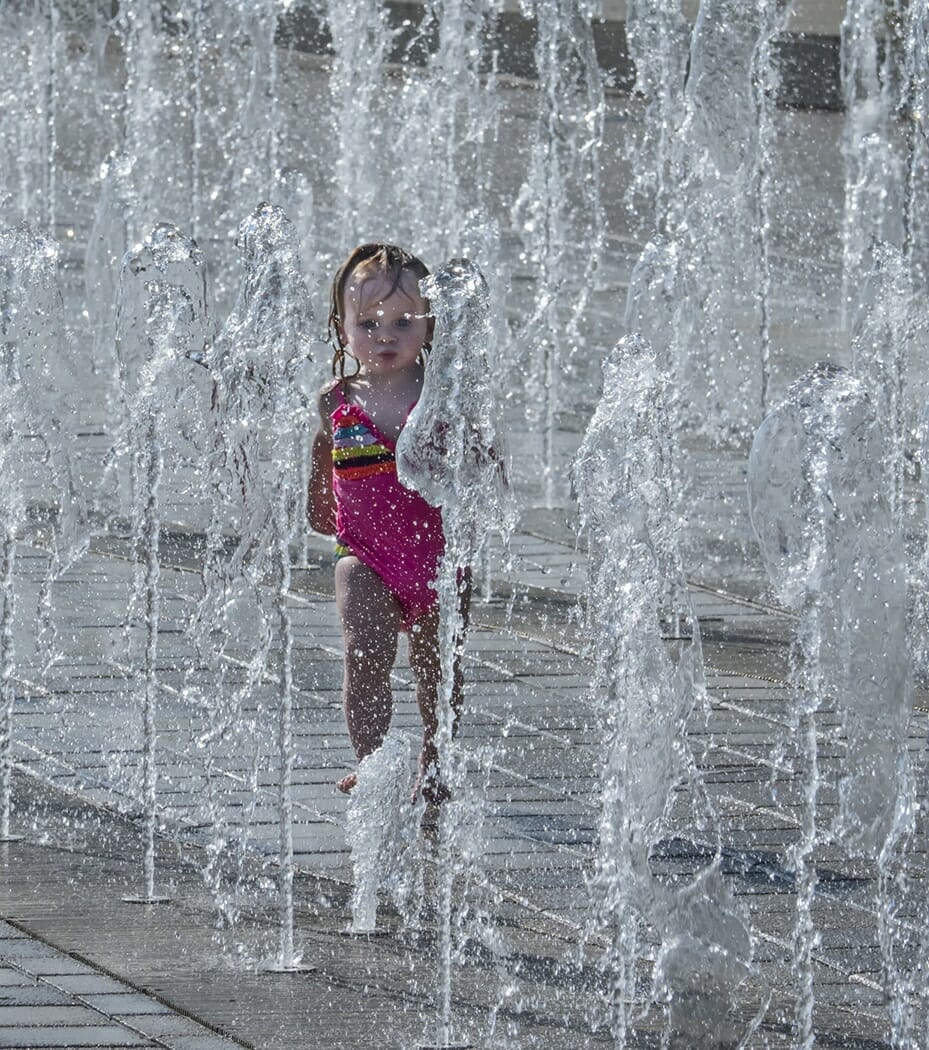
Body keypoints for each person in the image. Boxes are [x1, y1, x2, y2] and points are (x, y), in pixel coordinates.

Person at [307, 242, 467, 803]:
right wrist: (319, 504)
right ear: (342, 328)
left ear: (429, 325)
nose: (385, 336)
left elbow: (480, 466)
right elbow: (324, 463)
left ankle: (435, 756)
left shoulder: (443, 399)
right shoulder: (335, 401)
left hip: (439, 562)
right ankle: (371, 760)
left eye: (403, 321)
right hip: (365, 556)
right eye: (368, 323)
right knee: (364, 655)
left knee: (438, 672)